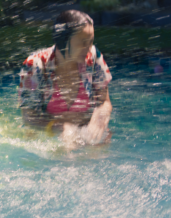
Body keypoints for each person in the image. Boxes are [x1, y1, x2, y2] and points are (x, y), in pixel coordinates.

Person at [18, 10, 113, 145]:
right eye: (83, 42)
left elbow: (105, 102)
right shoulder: (36, 66)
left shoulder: (93, 57)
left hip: (85, 133)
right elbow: (29, 118)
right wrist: (61, 127)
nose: (89, 47)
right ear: (63, 39)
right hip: (47, 137)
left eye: (91, 41)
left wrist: (100, 118)